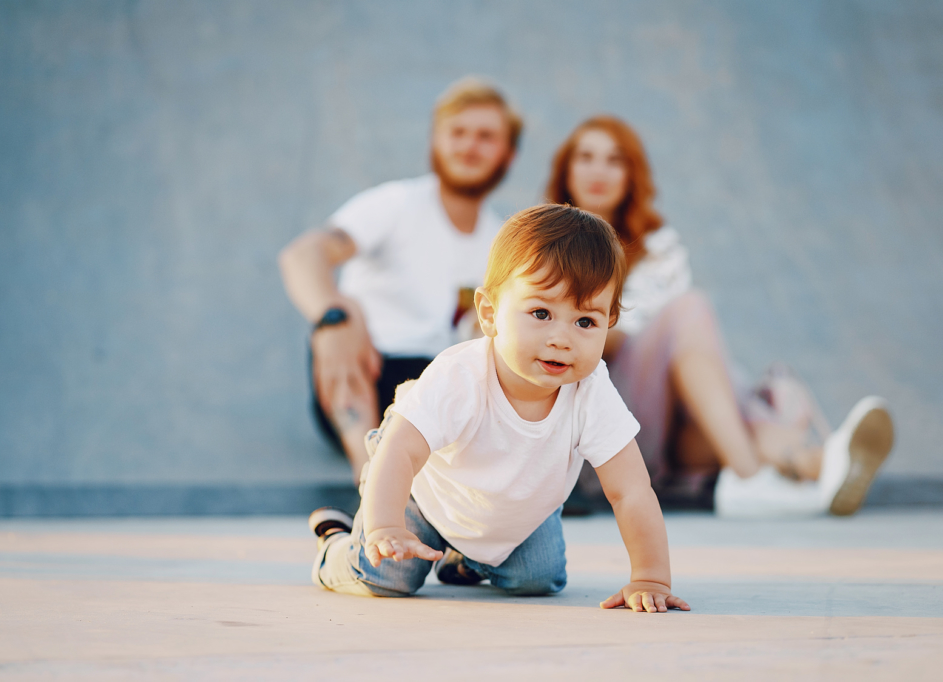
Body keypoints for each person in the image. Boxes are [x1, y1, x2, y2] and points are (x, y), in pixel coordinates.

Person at [307, 205, 690, 612]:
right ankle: (338, 543)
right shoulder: (460, 375)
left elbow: (631, 490)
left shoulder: (591, 391)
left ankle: (467, 559)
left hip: (511, 513)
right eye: (541, 313)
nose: (562, 338)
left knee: (539, 580)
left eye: (585, 322)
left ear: (608, 322)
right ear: (489, 314)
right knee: (389, 574)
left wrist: (650, 576)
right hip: (422, 493)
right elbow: (400, 451)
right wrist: (385, 525)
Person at [546, 116, 895, 517]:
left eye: (614, 160)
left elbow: (671, 352)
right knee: (691, 310)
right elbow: (605, 341)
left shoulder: (659, 248)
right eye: (586, 157)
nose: (598, 171)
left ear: (631, 174)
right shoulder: (545, 245)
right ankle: (784, 470)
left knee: (715, 393)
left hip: (673, 436)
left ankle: (819, 466)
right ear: (566, 169)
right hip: (599, 430)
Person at [278, 77, 521, 483]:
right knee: (343, 315)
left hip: (442, 384)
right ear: (435, 142)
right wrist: (331, 315)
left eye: (486, 136)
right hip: (369, 369)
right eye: (457, 133)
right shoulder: (396, 204)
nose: (469, 145)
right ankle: (368, 473)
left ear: (508, 154)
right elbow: (303, 254)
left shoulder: (502, 242)